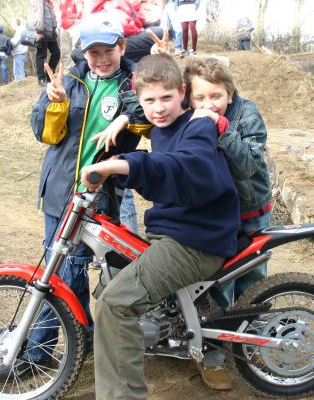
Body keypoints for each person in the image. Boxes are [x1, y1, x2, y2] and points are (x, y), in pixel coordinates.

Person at [0, 12, 151, 381]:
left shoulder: (136, 81)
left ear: (121, 47)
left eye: (108, 50)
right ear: (83, 51)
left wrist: (124, 119)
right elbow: (45, 134)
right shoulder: (68, 78)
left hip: (100, 197)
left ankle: (50, 348)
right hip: (60, 191)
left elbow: (148, 114)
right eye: (93, 52)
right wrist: (56, 102)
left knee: (72, 271)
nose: (101, 58)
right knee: (63, 272)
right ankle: (75, 341)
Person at [80, 53, 240, 400]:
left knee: (115, 304)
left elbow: (185, 164)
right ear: (138, 100)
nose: (159, 108)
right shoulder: (161, 127)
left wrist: (123, 165)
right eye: (149, 100)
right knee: (109, 280)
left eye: (167, 97)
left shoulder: (198, 124)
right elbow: (147, 137)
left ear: (183, 92)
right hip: (176, 232)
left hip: (196, 240)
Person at [183, 56, 272, 389]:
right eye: (200, 97)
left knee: (253, 281)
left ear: (230, 93)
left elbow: (248, 165)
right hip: (216, 218)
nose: (208, 104)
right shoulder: (187, 118)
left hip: (251, 214)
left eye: (216, 96)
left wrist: (222, 128)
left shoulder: (246, 114)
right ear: (188, 98)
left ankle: (256, 341)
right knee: (216, 286)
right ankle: (214, 356)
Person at [29, 0, 61, 85]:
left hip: (51, 32)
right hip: (42, 32)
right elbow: (39, 16)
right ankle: (41, 79)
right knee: (41, 55)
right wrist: (39, 31)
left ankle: (49, 76)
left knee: (56, 53)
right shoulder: (39, 1)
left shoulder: (49, 2)